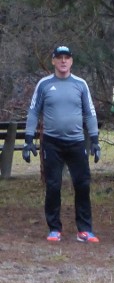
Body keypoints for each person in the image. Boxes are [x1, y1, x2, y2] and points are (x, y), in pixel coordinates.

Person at [24, 45, 101, 243]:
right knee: (53, 185)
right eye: (59, 58)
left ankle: (84, 230)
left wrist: (94, 140)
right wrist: (28, 139)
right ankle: (54, 229)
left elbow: (89, 112)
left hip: (76, 142)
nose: (63, 61)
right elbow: (33, 111)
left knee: (82, 184)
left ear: (72, 61)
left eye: (67, 58)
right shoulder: (44, 84)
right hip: (52, 143)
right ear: (53, 61)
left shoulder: (81, 84)